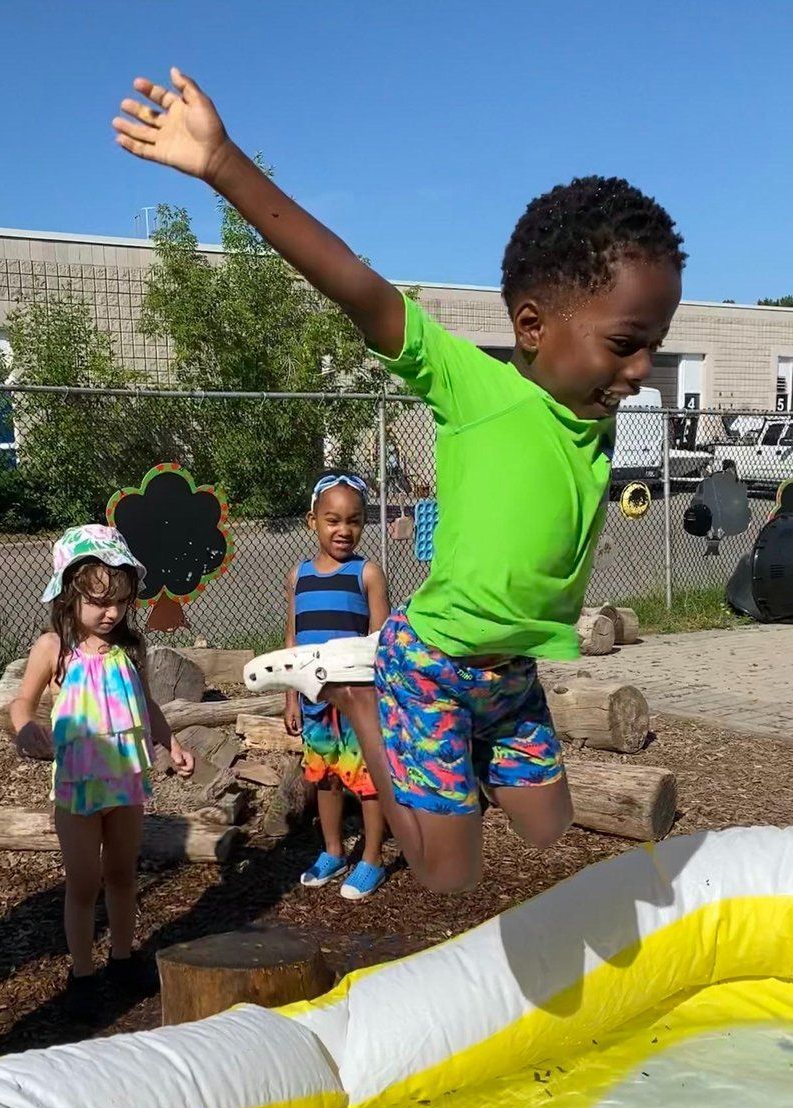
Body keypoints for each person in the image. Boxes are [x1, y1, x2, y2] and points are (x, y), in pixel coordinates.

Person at [113, 71, 684, 896]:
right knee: (446, 874)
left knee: (548, 824)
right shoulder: (477, 389)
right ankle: (358, 701)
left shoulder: (591, 409)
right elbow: (356, 284)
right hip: (429, 666)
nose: (640, 371)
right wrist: (223, 162)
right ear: (531, 326)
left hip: (510, 673)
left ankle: (434, 754)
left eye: (654, 347)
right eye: (627, 343)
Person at [11, 525, 194, 1018]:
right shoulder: (54, 648)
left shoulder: (129, 649)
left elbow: (147, 704)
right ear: (69, 596)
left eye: (119, 600)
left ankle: (122, 957)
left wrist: (170, 740)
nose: (111, 612)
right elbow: (20, 704)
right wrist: (26, 727)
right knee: (83, 881)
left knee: (121, 874)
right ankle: (82, 971)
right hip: (76, 786)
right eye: (98, 601)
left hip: (126, 781)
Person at [285, 472, 390, 899]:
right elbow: (292, 640)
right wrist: (290, 696)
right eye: (333, 520)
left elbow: (380, 641)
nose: (343, 530)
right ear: (313, 521)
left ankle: (372, 858)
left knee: (365, 779)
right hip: (314, 701)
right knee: (324, 777)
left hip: (357, 702)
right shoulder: (298, 576)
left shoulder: (366, 574)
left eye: (354, 521)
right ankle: (332, 851)